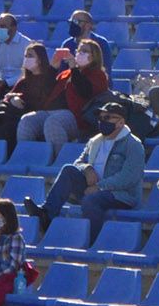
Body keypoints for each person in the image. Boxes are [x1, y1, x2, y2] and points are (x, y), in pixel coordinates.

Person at [24, 98, 145, 243]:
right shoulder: (95, 141)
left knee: (91, 200)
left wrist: (99, 187)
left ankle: (92, 242)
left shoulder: (133, 144)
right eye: (100, 117)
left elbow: (128, 178)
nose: (102, 121)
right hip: (92, 188)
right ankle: (46, 215)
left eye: (107, 117)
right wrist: (87, 169)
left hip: (121, 195)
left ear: (120, 122)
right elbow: (79, 162)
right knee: (68, 170)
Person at [15, 38, 108, 153]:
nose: (79, 53)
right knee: (27, 121)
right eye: (79, 50)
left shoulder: (98, 75)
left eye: (85, 51)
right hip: (51, 111)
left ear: (94, 56)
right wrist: (53, 67)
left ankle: (59, 159)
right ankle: (26, 155)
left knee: (53, 123)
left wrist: (74, 69)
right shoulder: (65, 73)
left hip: (77, 116)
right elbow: (46, 89)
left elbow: (85, 91)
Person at [0, 44, 60, 155]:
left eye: (30, 56)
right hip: (12, 112)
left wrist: (20, 101)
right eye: (25, 55)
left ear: (40, 59)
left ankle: (4, 158)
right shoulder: (23, 80)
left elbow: (42, 102)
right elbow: (7, 97)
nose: (26, 59)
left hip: (27, 115)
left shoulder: (48, 79)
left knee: (7, 127)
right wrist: (13, 98)